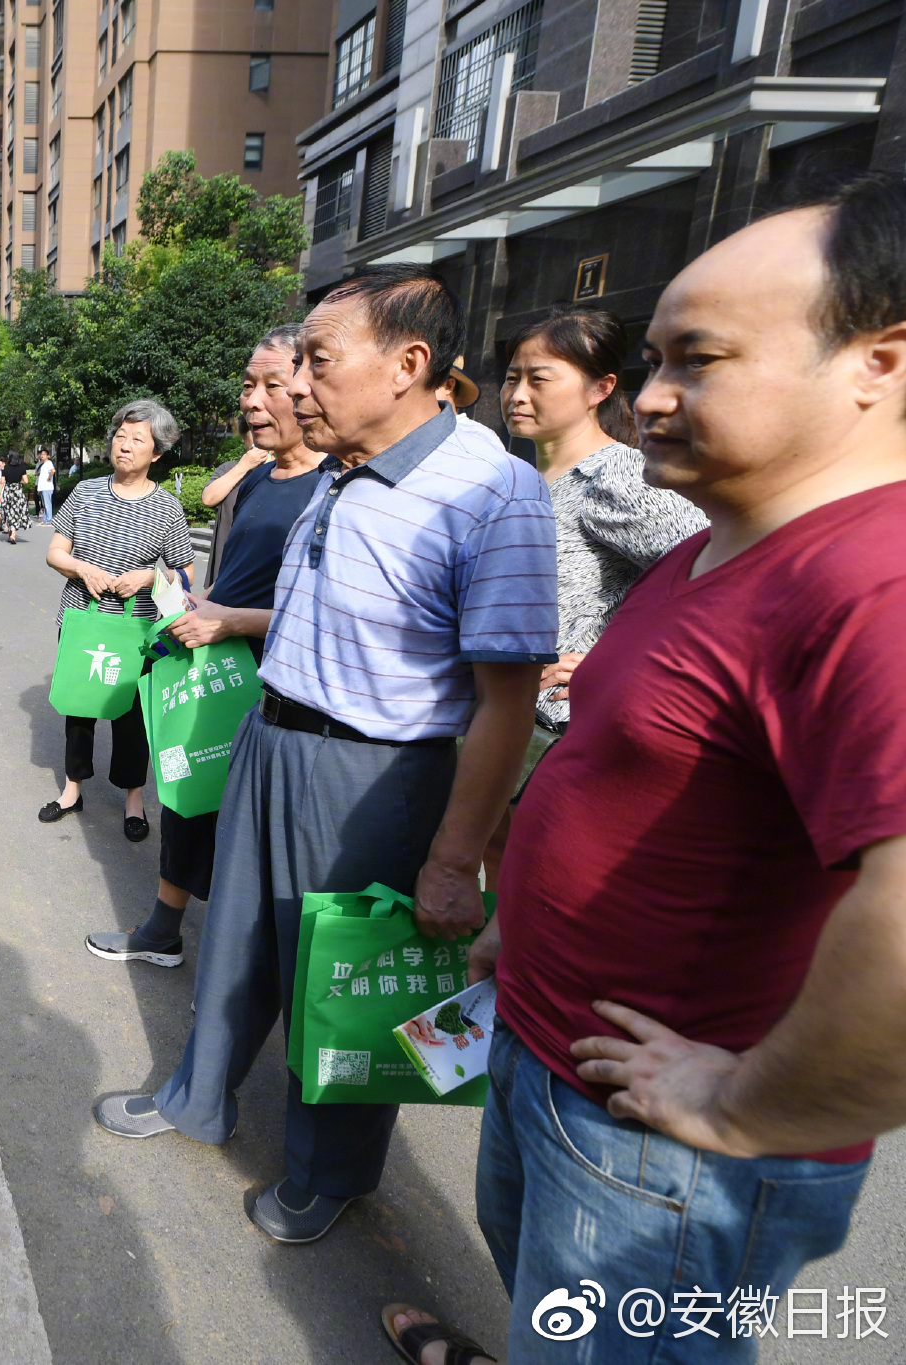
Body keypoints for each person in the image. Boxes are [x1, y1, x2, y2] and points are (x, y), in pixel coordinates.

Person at [390, 173, 906, 1365]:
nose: (653, 397)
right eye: (655, 358)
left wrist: (745, 1106)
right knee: (551, 1318)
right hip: (556, 1055)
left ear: (876, 363)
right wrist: (519, 928)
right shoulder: (715, 550)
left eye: (699, 360)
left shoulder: (868, 584)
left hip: (657, 1144)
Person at [91, 265, 556, 1251]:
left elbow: (503, 703)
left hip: (375, 777)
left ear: (407, 364)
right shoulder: (342, 471)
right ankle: (195, 1098)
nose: (296, 385)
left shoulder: (488, 491)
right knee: (236, 946)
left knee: (343, 981)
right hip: (271, 740)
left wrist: (449, 857)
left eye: (315, 360)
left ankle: (325, 1175)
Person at [85, 325, 324, 968]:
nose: (254, 400)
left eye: (273, 385)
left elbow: (335, 614)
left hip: (276, 689)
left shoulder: (336, 488)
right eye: (249, 384)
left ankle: (247, 963)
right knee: (188, 801)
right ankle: (164, 930)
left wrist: (235, 622)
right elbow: (229, 577)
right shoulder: (259, 480)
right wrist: (191, 602)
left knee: (249, 829)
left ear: (312, 386)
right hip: (213, 668)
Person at [478, 306, 704, 886]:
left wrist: (615, 665)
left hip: (559, 738)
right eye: (511, 378)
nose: (517, 395)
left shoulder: (620, 477)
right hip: (496, 725)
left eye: (539, 378)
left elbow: (714, 578)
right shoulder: (516, 479)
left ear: (600, 388)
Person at [39, 400, 195, 840]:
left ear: (157, 453)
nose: (124, 446)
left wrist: (150, 576)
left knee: (132, 718)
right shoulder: (86, 492)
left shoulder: (167, 508)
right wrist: (79, 568)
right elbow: (55, 551)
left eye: (137, 440)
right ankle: (73, 789)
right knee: (79, 705)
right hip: (82, 620)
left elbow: (185, 573)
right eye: (120, 436)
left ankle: (133, 798)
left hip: (136, 632)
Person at [0, 453, 34, 544]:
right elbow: (26, 481)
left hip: (8, 492)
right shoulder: (22, 467)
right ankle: (12, 534)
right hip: (18, 492)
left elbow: (2, 481)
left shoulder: (6, 468)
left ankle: (11, 534)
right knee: (16, 512)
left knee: (9, 512)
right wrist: (19, 482)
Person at [36, 448, 57, 522]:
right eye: (41, 454)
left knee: (47, 504)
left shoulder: (49, 463)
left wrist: (49, 477)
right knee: (44, 505)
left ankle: (48, 519)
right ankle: (45, 519)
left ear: (48, 456)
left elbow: (53, 470)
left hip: (47, 487)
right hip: (42, 487)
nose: (42, 456)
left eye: (44, 454)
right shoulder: (43, 464)